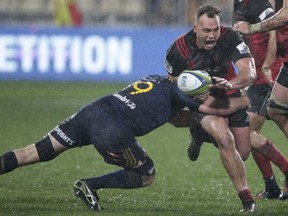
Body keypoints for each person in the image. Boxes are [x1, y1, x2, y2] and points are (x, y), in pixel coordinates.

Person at [0, 74, 249, 211]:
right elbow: (219, 110)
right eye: (204, 90)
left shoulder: (161, 80)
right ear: (194, 93)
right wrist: (246, 100)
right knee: (146, 174)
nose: (207, 93)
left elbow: (178, 118)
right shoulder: (186, 95)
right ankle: (89, 185)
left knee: (37, 151)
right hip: (112, 130)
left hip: (92, 111)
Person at [166, 4, 257, 212]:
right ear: (195, 28)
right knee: (225, 138)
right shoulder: (177, 49)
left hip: (228, 92)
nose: (212, 35)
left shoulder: (230, 37)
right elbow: (171, 81)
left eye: (215, 29)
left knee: (242, 153)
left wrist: (231, 84)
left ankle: (199, 135)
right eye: (206, 30)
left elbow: (249, 72)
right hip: (202, 99)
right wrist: (188, 90)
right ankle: (247, 199)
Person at [234, 0, 288, 200]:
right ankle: (271, 186)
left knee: (247, 132)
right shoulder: (239, 3)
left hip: (268, 75)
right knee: (250, 132)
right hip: (254, 76)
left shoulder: (257, 3)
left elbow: (275, 27)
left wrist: (268, 63)